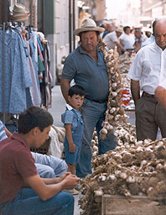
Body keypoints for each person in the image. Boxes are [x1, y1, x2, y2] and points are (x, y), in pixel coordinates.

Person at [60, 18, 117, 178]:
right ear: (80, 39)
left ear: (97, 37)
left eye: (92, 38)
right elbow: (65, 81)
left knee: (109, 139)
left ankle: (105, 174)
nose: (89, 41)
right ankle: (84, 175)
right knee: (83, 141)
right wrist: (72, 104)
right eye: (85, 38)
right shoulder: (74, 58)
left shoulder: (105, 53)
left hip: (108, 104)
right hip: (87, 105)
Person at [0, 106, 79, 215]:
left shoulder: (11, 142)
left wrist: (58, 180)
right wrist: (64, 183)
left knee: (56, 191)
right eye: (46, 133)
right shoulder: (20, 152)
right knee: (67, 199)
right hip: (6, 206)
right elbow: (44, 193)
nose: (47, 138)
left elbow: (25, 182)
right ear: (35, 131)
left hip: (10, 196)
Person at [128, 18, 166, 141]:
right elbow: (134, 79)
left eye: (165, 35)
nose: (161, 39)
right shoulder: (144, 53)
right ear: (153, 34)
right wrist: (138, 103)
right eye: (158, 35)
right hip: (147, 102)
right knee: (144, 148)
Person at [0, 120, 68, 178]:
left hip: (15, 151)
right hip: (6, 160)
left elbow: (11, 136)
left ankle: (59, 189)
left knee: (60, 164)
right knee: (48, 172)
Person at [61, 85, 85, 193]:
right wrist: (70, 143)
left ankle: (73, 183)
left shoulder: (77, 112)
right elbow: (68, 128)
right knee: (70, 164)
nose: (79, 101)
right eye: (76, 98)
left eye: (81, 99)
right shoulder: (70, 113)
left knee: (74, 163)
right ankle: (69, 186)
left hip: (77, 143)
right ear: (69, 98)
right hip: (72, 142)